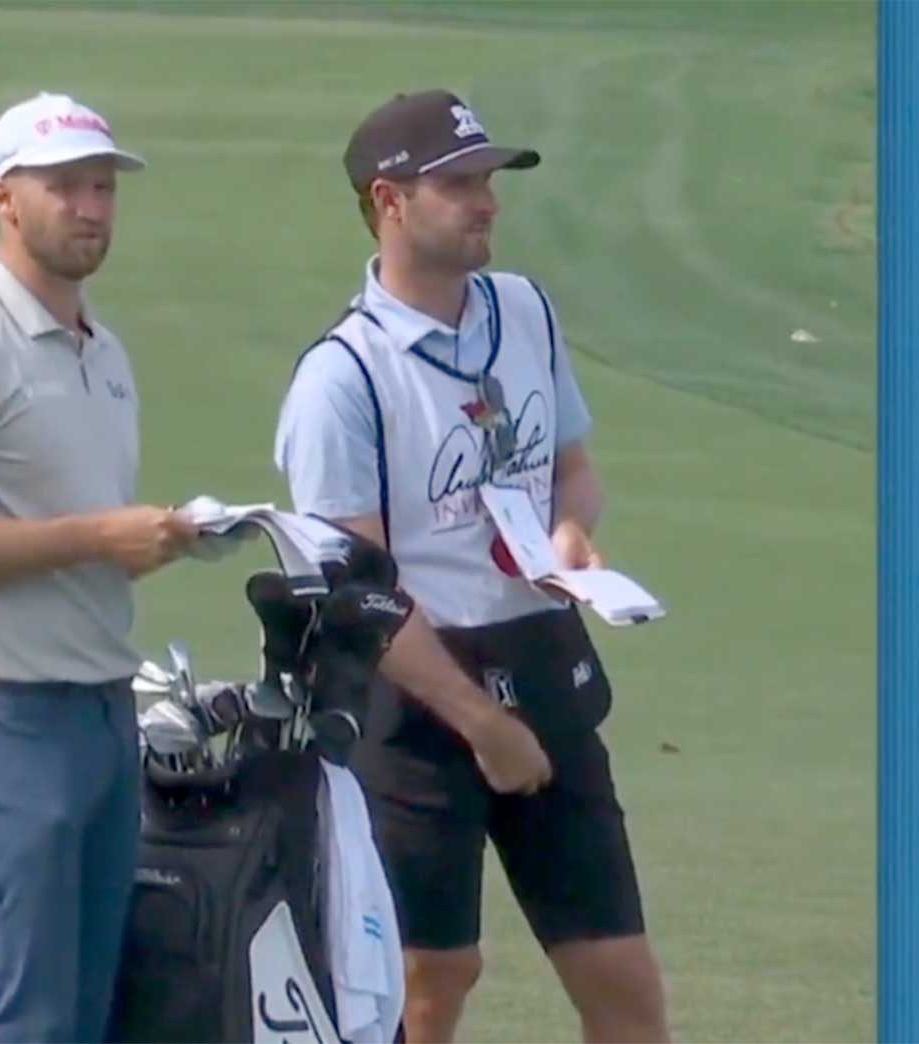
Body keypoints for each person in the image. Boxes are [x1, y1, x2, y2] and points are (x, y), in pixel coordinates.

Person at [271, 89, 670, 1044]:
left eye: (488, 179)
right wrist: (483, 724)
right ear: (389, 201)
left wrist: (572, 535)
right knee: (429, 978)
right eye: (457, 183)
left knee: (621, 976)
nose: (486, 200)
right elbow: (357, 594)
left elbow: (571, 466)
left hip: (544, 664)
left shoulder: (524, 310)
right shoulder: (343, 377)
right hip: (413, 706)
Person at [0, 91, 199, 1042]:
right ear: (5, 198)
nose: (92, 207)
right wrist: (100, 538)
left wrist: (154, 541)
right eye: (64, 187)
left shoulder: (106, 353)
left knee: (94, 1013)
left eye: (102, 187)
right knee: (34, 1021)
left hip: (101, 711)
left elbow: (64, 533)